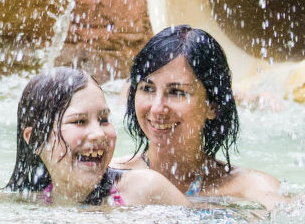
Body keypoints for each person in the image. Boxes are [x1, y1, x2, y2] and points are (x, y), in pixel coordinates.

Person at [115, 25, 286, 205]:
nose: (157, 108)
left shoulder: (248, 187)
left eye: (177, 92)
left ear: (212, 106)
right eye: (147, 88)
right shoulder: (112, 176)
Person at [6, 66, 186, 208]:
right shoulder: (30, 204)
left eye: (104, 119)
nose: (99, 134)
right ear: (35, 138)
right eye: (79, 121)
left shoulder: (145, 189)